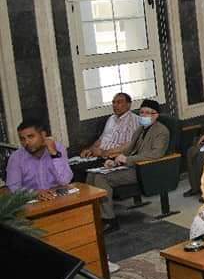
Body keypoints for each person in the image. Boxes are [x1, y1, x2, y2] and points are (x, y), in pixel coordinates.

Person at [86, 100, 169, 233]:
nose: (143, 115)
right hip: (130, 166)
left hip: (145, 169)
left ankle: (109, 220)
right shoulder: (140, 129)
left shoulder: (161, 131)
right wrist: (114, 161)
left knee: (101, 178)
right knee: (92, 175)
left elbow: (156, 154)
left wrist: (127, 160)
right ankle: (97, 215)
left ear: (156, 115)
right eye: (141, 112)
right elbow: (129, 150)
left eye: (147, 113)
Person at [5, 119, 72, 200]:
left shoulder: (57, 148)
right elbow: (13, 188)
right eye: (22, 139)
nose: (26, 142)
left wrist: (54, 154)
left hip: (57, 198)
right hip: (32, 201)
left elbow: (65, 180)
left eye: (30, 136)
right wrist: (34, 194)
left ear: (43, 135)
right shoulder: (16, 158)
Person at [79, 93, 139, 159]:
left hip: (112, 157)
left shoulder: (133, 120)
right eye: (113, 102)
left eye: (119, 102)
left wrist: (103, 153)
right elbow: (101, 139)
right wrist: (90, 149)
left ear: (128, 104)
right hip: (98, 154)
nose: (115, 105)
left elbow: (130, 145)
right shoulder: (111, 118)